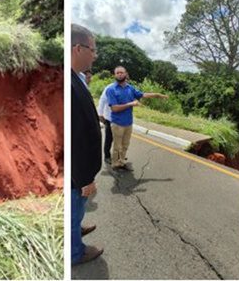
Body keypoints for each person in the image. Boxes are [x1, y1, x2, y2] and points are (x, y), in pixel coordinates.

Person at [71, 24, 104, 265]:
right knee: (74, 204)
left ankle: (77, 228)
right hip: (77, 175)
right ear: (77, 48)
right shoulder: (70, 83)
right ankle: (75, 252)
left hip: (81, 172)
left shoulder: (77, 78)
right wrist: (84, 179)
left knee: (78, 207)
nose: (94, 55)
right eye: (92, 49)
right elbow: (75, 138)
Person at [106, 66, 168, 170]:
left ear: (125, 74)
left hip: (128, 123)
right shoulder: (111, 89)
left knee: (125, 145)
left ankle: (121, 163)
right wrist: (131, 104)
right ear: (115, 75)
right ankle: (115, 164)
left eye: (121, 72)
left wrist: (158, 95)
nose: (119, 74)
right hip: (117, 123)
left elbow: (143, 95)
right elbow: (114, 108)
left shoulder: (130, 88)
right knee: (117, 146)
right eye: (117, 73)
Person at [98, 82, 113, 164]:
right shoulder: (109, 88)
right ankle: (107, 156)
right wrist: (100, 114)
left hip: (121, 120)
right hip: (109, 118)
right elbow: (102, 100)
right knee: (109, 139)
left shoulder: (127, 89)